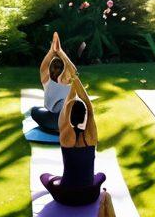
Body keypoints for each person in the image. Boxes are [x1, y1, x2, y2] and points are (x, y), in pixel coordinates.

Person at [40, 76, 106, 206]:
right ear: (84, 116)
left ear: (68, 115)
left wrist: (71, 89)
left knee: (45, 176)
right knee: (101, 176)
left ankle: (57, 180)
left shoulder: (65, 136)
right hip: (90, 195)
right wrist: (76, 82)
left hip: (66, 196)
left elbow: (65, 108)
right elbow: (90, 109)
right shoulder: (91, 137)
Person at [30, 31, 75, 135]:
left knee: (34, 110)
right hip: (72, 120)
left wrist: (52, 50)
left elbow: (42, 68)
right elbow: (73, 69)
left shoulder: (47, 80)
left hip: (56, 121)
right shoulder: (70, 79)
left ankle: (58, 129)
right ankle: (64, 128)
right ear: (65, 68)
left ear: (49, 69)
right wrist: (60, 51)